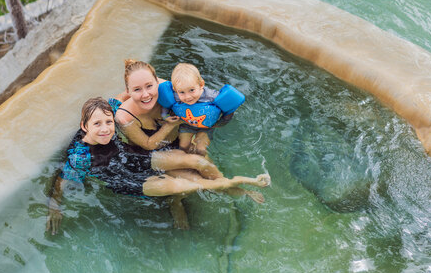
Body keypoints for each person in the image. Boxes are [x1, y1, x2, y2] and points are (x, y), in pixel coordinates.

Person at [46, 97, 270, 234]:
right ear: (84, 126)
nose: (105, 128)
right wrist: (54, 208)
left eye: (108, 122)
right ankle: (242, 183)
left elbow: (123, 97)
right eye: (97, 124)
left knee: (196, 161)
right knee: (185, 185)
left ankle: (234, 189)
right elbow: (61, 180)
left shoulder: (110, 110)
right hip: (127, 180)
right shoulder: (80, 156)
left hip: (136, 158)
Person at [158, 63, 244, 156]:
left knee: (201, 149)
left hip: (207, 127)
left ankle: (199, 161)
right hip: (186, 124)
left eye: (192, 90)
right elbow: (166, 105)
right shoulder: (175, 96)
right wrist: (165, 116)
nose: (188, 97)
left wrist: (221, 123)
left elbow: (229, 109)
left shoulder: (212, 97)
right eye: (182, 92)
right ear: (175, 89)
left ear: (201, 84)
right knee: (183, 146)